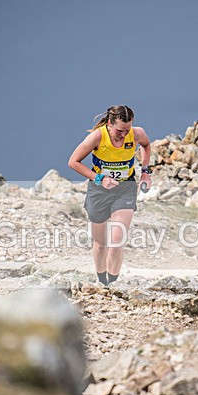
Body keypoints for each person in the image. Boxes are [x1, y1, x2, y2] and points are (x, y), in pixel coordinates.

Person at [68, 105, 152, 285]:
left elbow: (146, 145)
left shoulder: (136, 133)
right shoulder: (97, 137)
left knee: (116, 242)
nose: (123, 135)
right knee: (101, 245)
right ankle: (101, 280)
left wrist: (145, 172)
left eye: (127, 130)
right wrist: (99, 178)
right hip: (99, 190)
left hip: (125, 188)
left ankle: (112, 285)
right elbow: (73, 162)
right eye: (120, 131)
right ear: (109, 124)